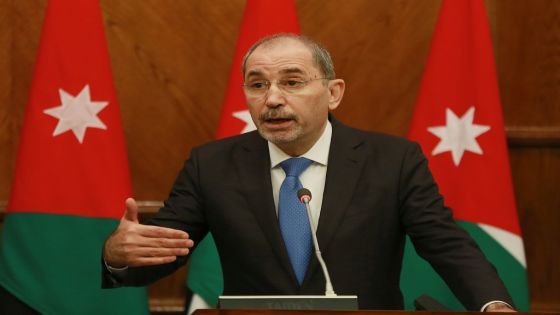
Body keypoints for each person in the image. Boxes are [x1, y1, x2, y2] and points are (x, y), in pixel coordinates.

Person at [102, 34, 514, 311]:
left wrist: (492, 304)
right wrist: (117, 257)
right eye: (257, 85)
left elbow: (446, 244)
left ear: (333, 93)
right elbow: (162, 251)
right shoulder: (211, 165)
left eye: (292, 82)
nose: (273, 99)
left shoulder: (393, 160)